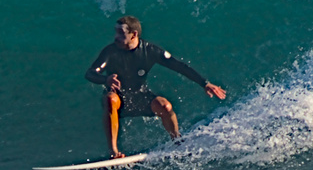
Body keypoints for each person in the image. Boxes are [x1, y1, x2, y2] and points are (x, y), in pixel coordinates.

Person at [85, 16, 226, 158]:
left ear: (134, 34)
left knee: (165, 106)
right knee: (110, 98)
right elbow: (90, 73)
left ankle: (178, 142)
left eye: (121, 33)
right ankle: (114, 152)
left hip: (140, 96)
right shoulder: (110, 51)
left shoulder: (149, 50)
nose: (116, 37)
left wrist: (205, 83)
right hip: (118, 100)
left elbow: (179, 66)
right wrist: (105, 79)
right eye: (115, 32)